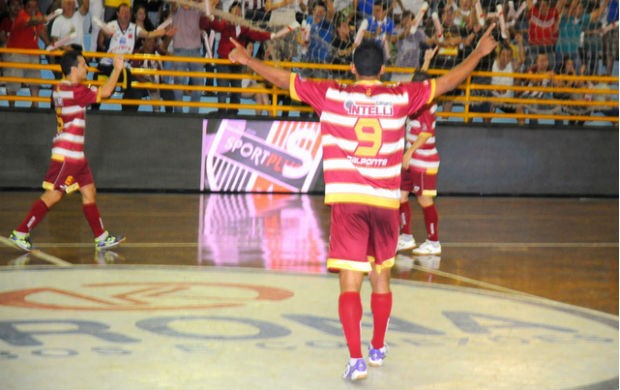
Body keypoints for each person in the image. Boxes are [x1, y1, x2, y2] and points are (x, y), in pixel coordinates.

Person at [228, 23, 497, 381]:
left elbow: (283, 79)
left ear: (352, 68)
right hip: (385, 205)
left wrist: (248, 60)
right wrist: (477, 54)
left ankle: (356, 359)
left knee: (350, 283)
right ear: (383, 70)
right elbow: (447, 82)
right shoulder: (401, 96)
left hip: (349, 204)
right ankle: (378, 347)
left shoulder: (332, 95)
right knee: (381, 279)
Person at [8, 51, 126, 252]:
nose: (86, 68)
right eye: (83, 65)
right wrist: (117, 69)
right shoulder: (75, 92)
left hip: (76, 156)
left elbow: (67, 98)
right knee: (53, 195)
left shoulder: (60, 88)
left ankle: (101, 237)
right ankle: (21, 232)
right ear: (73, 68)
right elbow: (105, 93)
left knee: (89, 192)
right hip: (68, 156)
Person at [397, 47, 442, 255]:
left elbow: (425, 133)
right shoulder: (419, 93)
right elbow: (422, 79)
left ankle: (434, 242)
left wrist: (409, 152)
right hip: (412, 159)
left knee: (424, 200)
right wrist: (426, 60)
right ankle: (406, 237)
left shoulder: (423, 105)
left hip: (423, 159)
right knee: (400, 195)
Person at [96, 3, 174, 111]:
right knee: (97, 81)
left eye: (128, 12)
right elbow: (101, 38)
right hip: (109, 64)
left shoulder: (134, 28)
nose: (126, 14)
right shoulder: (112, 25)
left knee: (133, 85)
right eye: (123, 12)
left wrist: (164, 31)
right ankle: (93, 109)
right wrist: (104, 35)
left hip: (125, 66)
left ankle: (127, 112)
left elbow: (148, 34)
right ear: (118, 14)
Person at [206, 0, 272, 115]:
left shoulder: (244, 27)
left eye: (239, 11)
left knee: (236, 88)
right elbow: (215, 25)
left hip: (237, 63)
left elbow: (256, 33)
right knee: (223, 88)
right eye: (234, 10)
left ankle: (234, 112)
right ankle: (221, 112)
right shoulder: (225, 23)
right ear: (230, 12)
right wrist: (209, 14)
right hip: (224, 61)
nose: (237, 12)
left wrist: (270, 36)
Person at [3, 0, 50, 107]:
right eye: (30, 7)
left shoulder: (38, 15)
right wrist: (44, 19)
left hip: (33, 53)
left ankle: (35, 105)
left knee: (35, 81)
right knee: (13, 83)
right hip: (16, 53)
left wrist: (50, 45)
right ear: (24, 7)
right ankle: (11, 108)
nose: (33, 10)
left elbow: (42, 31)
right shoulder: (21, 16)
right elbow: (30, 21)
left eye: (35, 7)